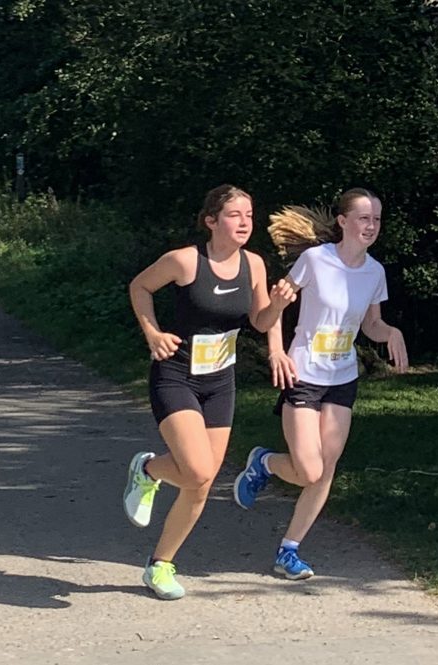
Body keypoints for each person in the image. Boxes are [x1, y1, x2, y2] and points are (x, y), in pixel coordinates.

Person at [123, 185, 296, 600]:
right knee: (197, 470)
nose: (244, 223)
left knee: (201, 483)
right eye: (235, 215)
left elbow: (260, 319)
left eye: (250, 215)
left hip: (220, 382)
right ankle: (147, 471)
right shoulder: (185, 261)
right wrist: (152, 333)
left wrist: (277, 312)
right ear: (212, 221)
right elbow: (139, 287)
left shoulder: (253, 264)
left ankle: (160, 565)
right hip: (176, 375)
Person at [232, 188, 409, 580]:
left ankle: (288, 551)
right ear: (343, 221)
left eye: (377, 219)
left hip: (342, 378)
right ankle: (264, 462)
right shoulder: (315, 260)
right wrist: (276, 351)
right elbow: (275, 308)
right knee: (308, 471)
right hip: (304, 374)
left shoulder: (374, 272)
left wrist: (390, 332)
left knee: (326, 469)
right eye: (363, 218)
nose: (371, 226)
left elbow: (371, 323)